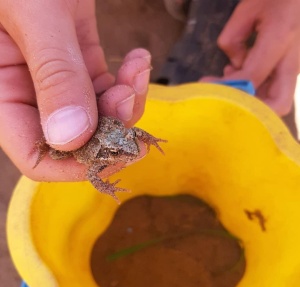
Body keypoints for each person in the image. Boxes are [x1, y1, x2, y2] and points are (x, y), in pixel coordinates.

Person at [0, 0, 299, 183]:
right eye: (120, 151)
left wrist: (149, 139)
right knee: (56, 146)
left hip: (104, 124)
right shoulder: (102, 157)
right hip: (88, 138)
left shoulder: (126, 139)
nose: (128, 150)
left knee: (120, 105)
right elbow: (93, 174)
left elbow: (134, 137)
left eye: (127, 143)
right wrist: (108, 184)